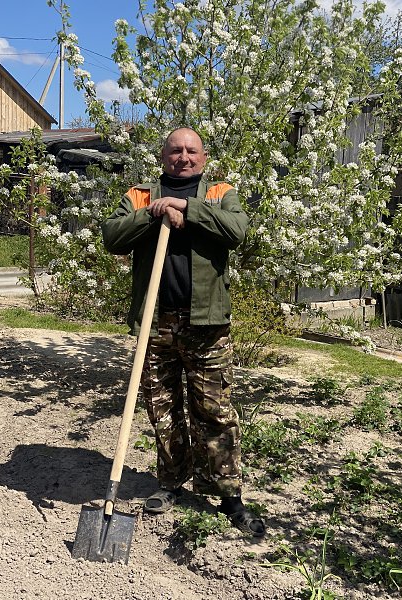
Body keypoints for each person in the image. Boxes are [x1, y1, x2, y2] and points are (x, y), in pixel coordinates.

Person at [101, 127, 265, 537]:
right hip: (156, 323)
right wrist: (155, 212)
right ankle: (171, 482)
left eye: (192, 151)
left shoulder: (221, 193)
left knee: (215, 410)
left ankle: (228, 495)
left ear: (204, 157)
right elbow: (112, 236)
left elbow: (237, 231)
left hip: (206, 324)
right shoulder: (140, 195)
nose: (184, 157)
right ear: (163, 156)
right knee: (163, 408)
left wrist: (186, 208)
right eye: (176, 150)